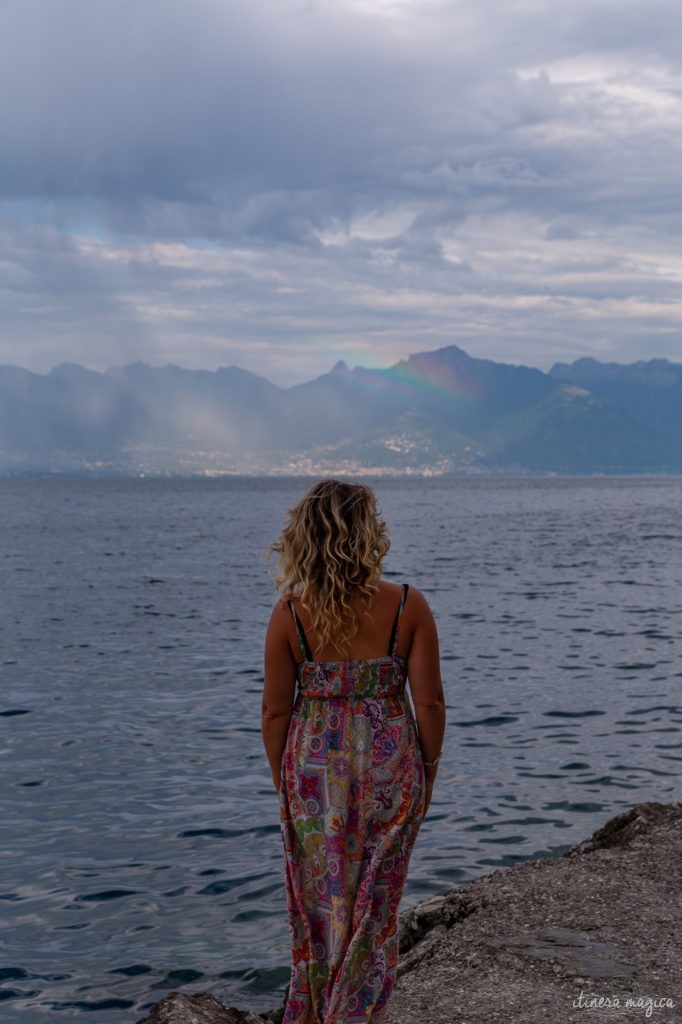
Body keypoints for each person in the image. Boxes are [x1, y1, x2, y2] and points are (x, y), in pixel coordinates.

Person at [262, 479, 446, 1023]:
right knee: (376, 905)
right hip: (391, 766)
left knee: (323, 906)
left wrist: (286, 784)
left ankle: (322, 1010)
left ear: (305, 536)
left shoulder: (289, 615)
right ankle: (358, 1012)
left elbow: (275, 713)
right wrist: (428, 770)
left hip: (314, 775)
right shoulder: (407, 605)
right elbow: (430, 702)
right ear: (368, 533)